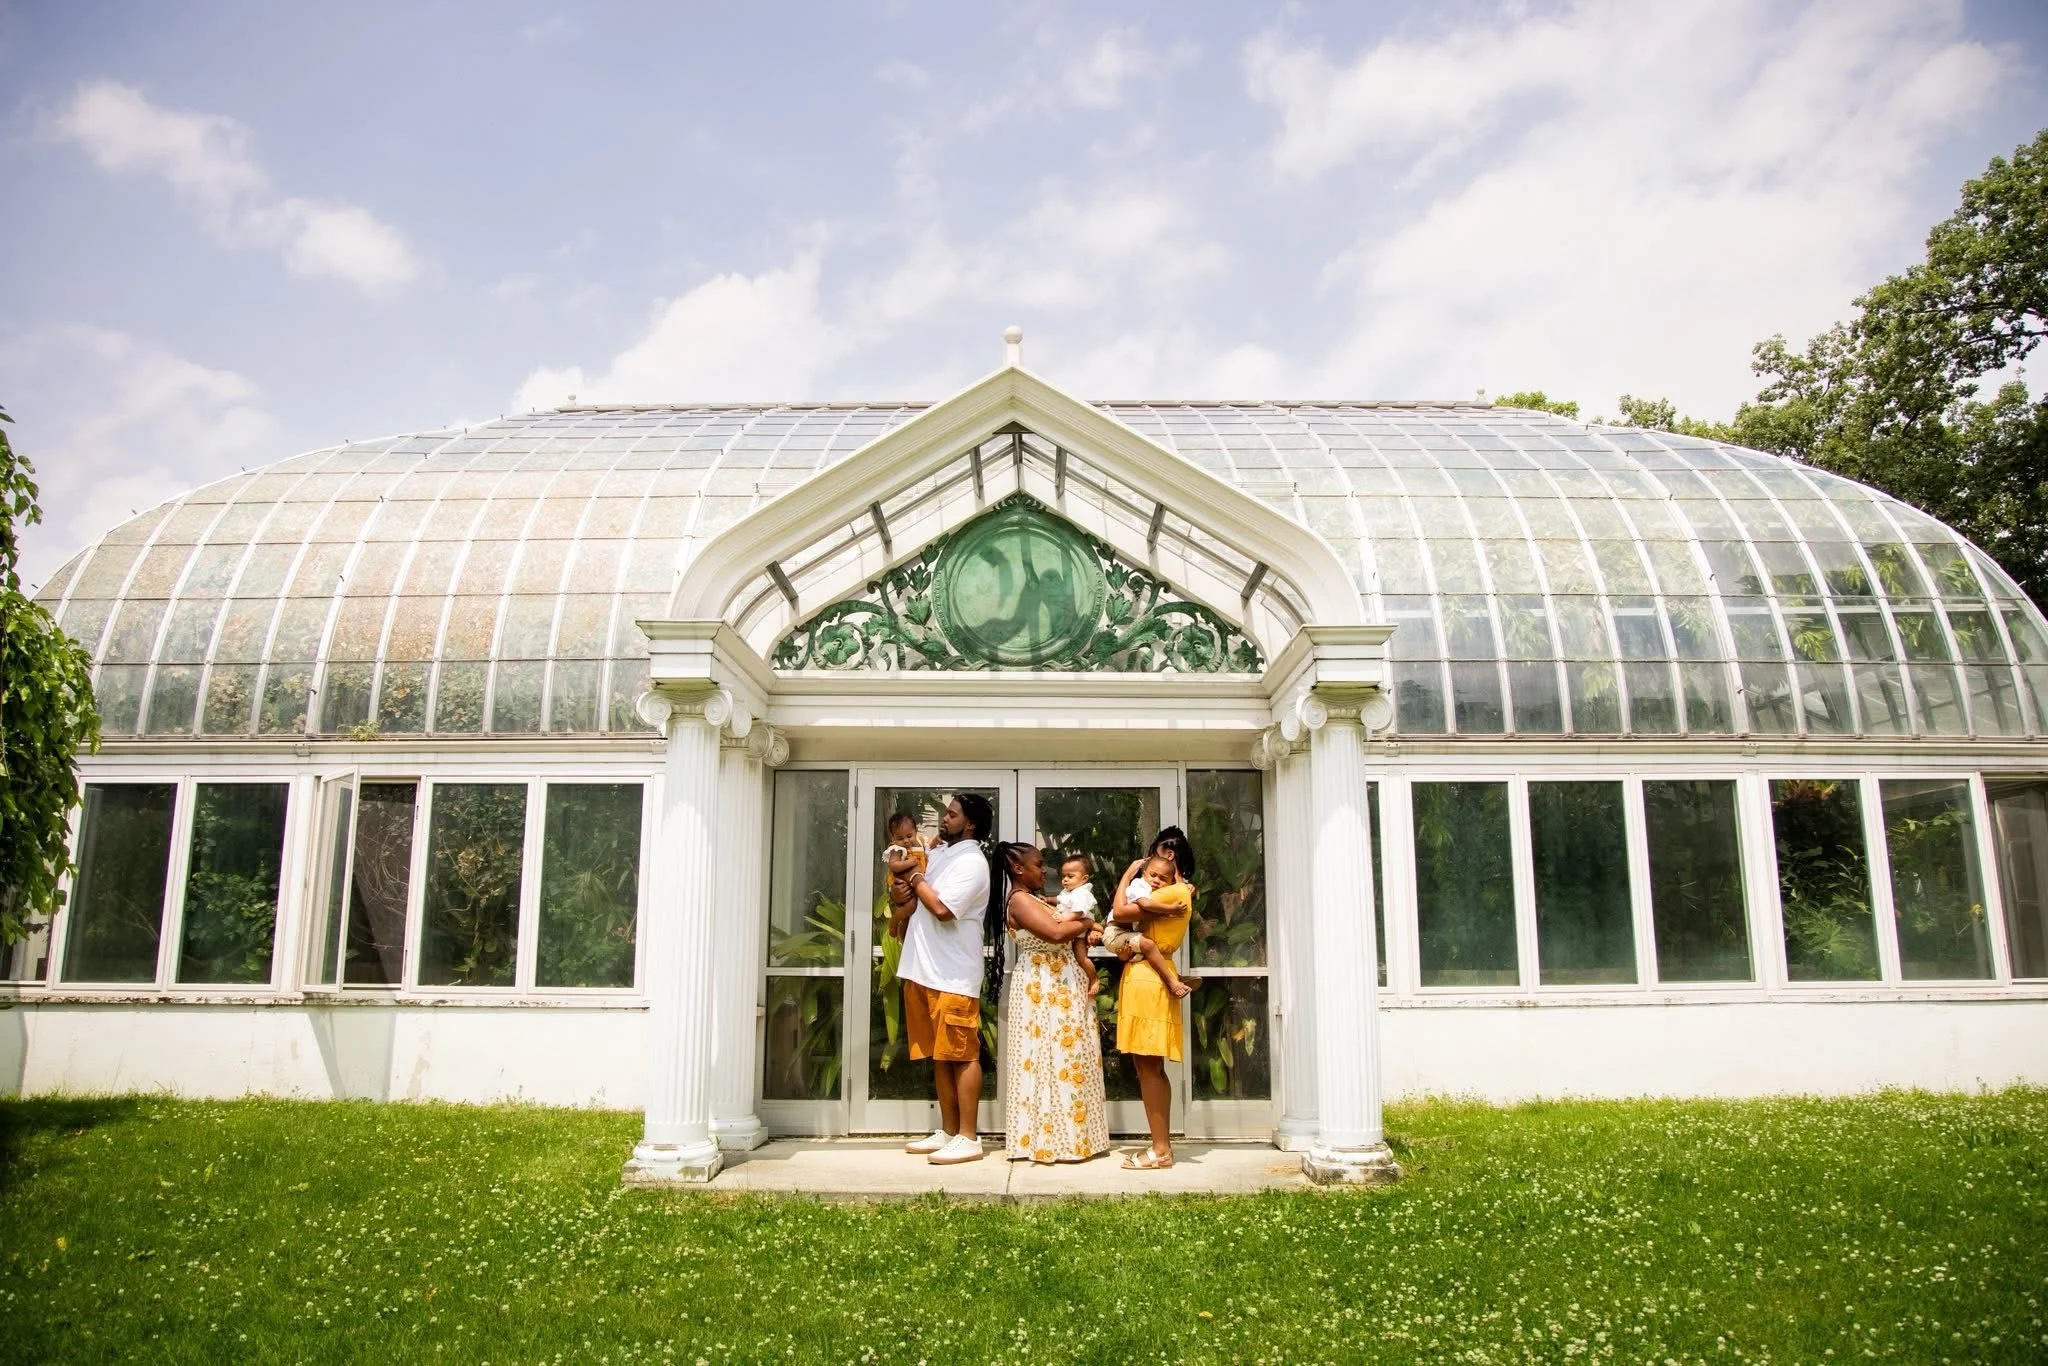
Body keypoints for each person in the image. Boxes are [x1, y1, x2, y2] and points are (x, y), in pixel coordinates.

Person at [996, 843, 1109, 1164]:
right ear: (1018, 869)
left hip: (1062, 984)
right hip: (1042, 987)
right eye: (1038, 864)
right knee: (1046, 1058)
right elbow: (1056, 932)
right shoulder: (1018, 900)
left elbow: (1063, 927)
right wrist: (1087, 924)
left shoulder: (1034, 898)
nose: (1044, 870)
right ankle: (1049, 1141)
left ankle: (1076, 1139)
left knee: (1068, 1058)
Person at [897, 793, 994, 1166]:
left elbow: (941, 909)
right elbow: (908, 888)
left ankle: (969, 1137)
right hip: (922, 970)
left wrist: (916, 877)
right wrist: (905, 883)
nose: (944, 818)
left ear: (968, 824)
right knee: (941, 1056)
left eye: (951, 814)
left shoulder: (972, 863)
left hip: (952, 975)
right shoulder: (941, 855)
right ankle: (949, 1131)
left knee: (962, 1054)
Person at [1112, 826, 1199, 1170]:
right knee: (1151, 1068)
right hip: (1151, 971)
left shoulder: (1166, 894)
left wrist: (1127, 875)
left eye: (1155, 853)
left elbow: (1120, 913)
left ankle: (1160, 1150)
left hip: (1149, 977)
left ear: (1170, 855)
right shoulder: (1180, 891)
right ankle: (1160, 1145)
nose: (1149, 865)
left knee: (1148, 1067)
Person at [1108, 854, 1196, 999]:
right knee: (1148, 944)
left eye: (1162, 879)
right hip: (1115, 932)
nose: (1156, 881)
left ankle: (1175, 978)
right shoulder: (1139, 885)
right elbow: (1145, 905)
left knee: (1144, 947)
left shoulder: (1160, 891)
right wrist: (1170, 909)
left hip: (1127, 935)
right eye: (1153, 875)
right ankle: (1172, 981)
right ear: (1144, 874)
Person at [1051, 852, 1103, 997]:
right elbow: (1059, 900)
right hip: (1072, 929)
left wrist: (1064, 919)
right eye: (1063, 876)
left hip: (1079, 932)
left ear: (1084, 878)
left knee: (1081, 958)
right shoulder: (1068, 892)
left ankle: (1094, 979)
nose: (1065, 880)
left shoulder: (1082, 893)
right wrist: (1047, 900)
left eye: (1070, 876)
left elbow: (1079, 912)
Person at [882, 811, 928, 943]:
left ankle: (903, 942)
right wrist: (910, 862)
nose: (906, 841)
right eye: (900, 838)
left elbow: (930, 845)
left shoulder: (920, 842)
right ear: (893, 837)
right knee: (911, 906)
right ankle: (893, 922)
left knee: (908, 918)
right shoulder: (896, 849)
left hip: (915, 884)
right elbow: (893, 865)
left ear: (916, 831)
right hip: (902, 884)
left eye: (909, 836)